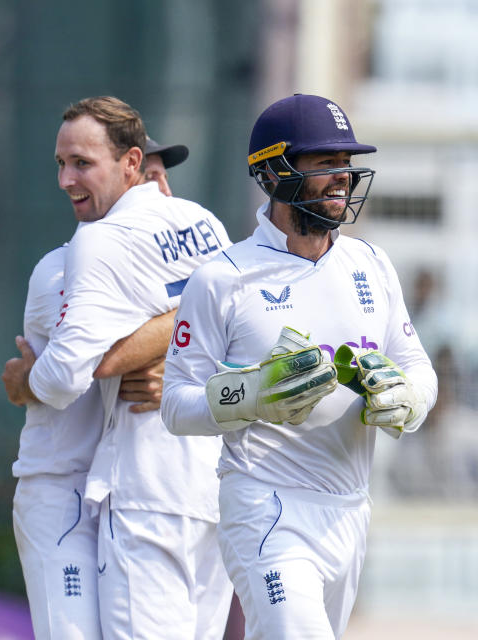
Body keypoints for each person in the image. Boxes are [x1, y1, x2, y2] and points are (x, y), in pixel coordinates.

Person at [160, 93, 438, 639]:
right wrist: (255, 394)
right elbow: (175, 404)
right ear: (273, 173)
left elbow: (418, 368)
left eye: (345, 164)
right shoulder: (224, 277)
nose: (342, 178)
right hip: (265, 504)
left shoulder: (371, 264)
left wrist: (408, 401)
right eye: (323, 164)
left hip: (350, 510)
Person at [3, 96, 233, 640]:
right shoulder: (66, 265)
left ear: (130, 170)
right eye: (63, 164)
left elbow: (77, 369)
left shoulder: (118, 239)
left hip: (146, 488)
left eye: (82, 164)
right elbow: (76, 371)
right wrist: (182, 338)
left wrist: (169, 353)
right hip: (66, 488)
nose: (160, 186)